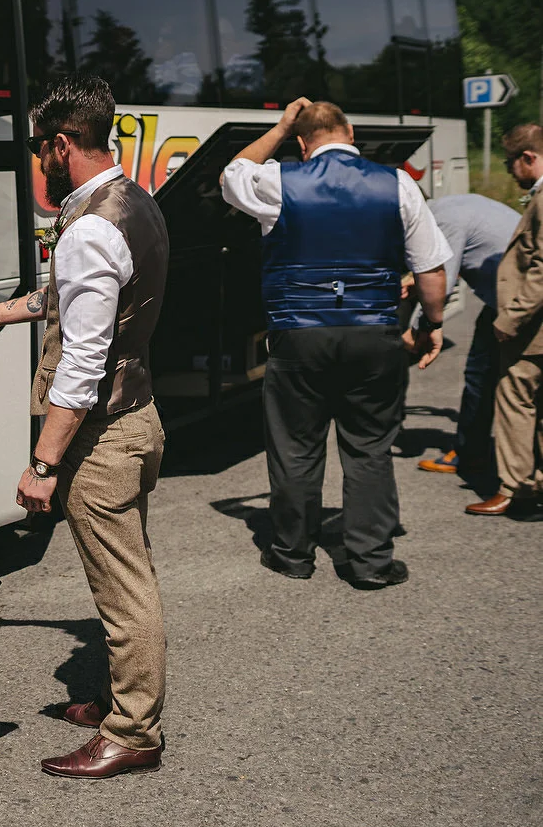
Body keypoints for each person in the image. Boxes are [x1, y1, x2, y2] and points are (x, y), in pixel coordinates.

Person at [0, 74, 171, 781]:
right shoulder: (132, 203)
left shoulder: (90, 225)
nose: (37, 160)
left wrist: (42, 463)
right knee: (126, 573)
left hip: (102, 436)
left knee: (124, 588)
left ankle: (132, 732)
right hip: (137, 414)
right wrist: (3, 314)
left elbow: (84, 364)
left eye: (40, 147)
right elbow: (80, 299)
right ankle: (116, 700)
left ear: (61, 144)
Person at [220, 98, 452, 588]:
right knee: (369, 447)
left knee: (296, 448)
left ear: (303, 143)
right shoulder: (398, 183)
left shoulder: (280, 180)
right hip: (375, 334)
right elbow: (431, 269)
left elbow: (233, 172)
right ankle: (370, 562)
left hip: (299, 335)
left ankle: (292, 555)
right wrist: (432, 324)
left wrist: (280, 126)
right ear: (351, 134)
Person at [408, 194, 518, 478]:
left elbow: (442, 280)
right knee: (487, 377)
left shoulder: (441, 221)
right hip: (509, 300)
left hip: (514, 306)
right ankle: (474, 452)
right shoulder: (455, 205)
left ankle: (472, 456)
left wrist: (417, 330)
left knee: (482, 378)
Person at [466, 123, 543, 517]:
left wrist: (508, 320)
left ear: (528, 158)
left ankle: (516, 490)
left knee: (515, 400)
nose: (510, 171)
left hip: (533, 331)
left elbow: (540, 270)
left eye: (510, 163)